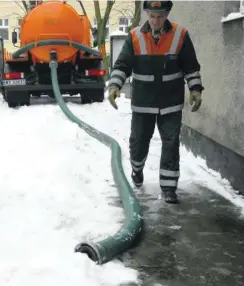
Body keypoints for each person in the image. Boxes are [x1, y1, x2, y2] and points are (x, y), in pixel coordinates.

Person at [107, 0, 204, 204]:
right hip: (143, 102)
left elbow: (190, 67)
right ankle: (137, 169)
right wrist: (115, 85)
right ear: (147, 15)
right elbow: (122, 65)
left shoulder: (180, 35)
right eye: (152, 15)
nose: (155, 20)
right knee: (139, 142)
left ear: (167, 14)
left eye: (159, 16)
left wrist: (195, 90)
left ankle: (169, 188)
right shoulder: (134, 37)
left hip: (171, 102)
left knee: (171, 143)